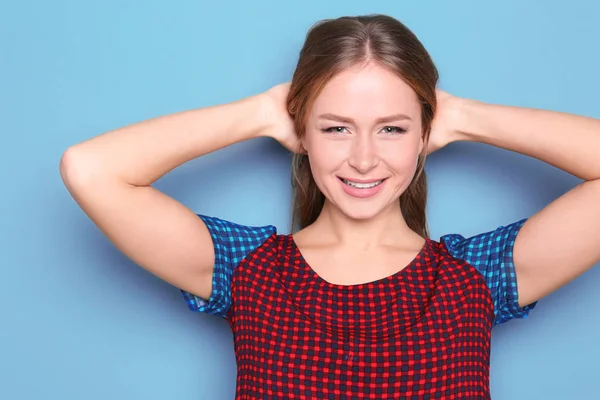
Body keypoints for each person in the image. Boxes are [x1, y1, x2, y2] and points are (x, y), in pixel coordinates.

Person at [59, 14, 600, 400]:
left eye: (391, 128)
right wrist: (262, 112)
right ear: (303, 134)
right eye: (336, 128)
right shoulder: (249, 268)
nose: (364, 159)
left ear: (424, 135)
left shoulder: (471, 277)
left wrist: (463, 116)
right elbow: (92, 169)